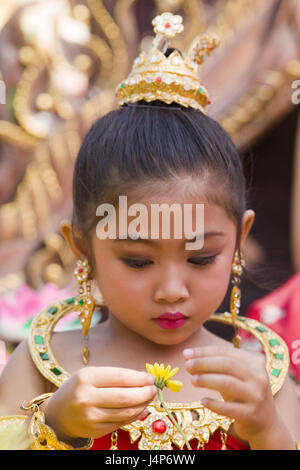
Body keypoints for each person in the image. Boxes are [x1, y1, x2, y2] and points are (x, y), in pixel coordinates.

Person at [0, 12, 300, 451]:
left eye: (200, 259)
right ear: (82, 249)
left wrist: (268, 431)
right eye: (138, 261)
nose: (172, 290)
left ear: (238, 240)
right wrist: (54, 425)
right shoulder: (41, 364)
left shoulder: (261, 382)